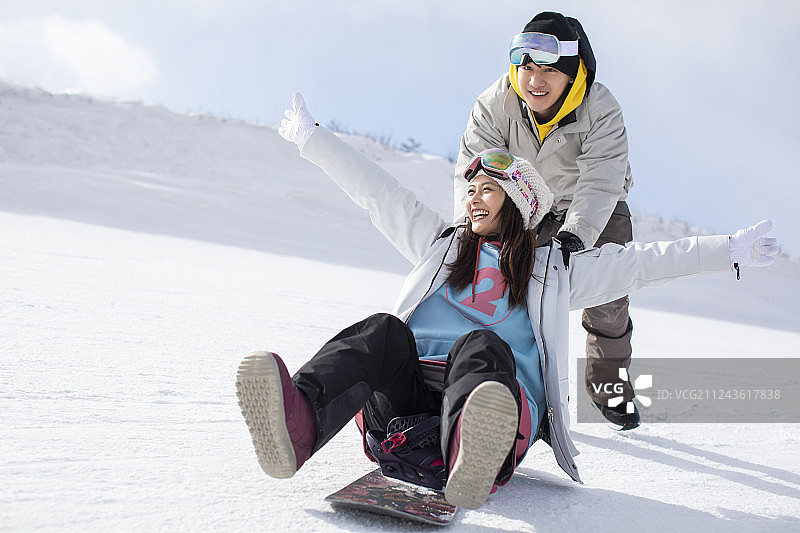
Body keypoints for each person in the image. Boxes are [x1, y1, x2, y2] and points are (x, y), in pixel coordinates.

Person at [235, 93, 778, 509]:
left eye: (485, 187)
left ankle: (473, 450)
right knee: (382, 330)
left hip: (495, 410)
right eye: (468, 187)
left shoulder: (553, 271)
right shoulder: (442, 245)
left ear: (517, 201)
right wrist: (313, 139)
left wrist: (728, 249)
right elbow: (381, 194)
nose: (471, 195)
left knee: (483, 344)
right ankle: (299, 422)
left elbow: (642, 263)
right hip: (404, 405)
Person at [454, 11, 645, 428]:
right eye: (527, 68)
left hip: (597, 208)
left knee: (606, 301)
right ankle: (510, 388)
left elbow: (600, 182)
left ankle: (608, 382)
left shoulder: (601, 109)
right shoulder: (495, 104)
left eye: (549, 71)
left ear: (573, 74)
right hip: (527, 203)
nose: (535, 82)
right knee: (508, 288)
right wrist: (469, 231)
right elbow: (475, 171)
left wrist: (575, 237)